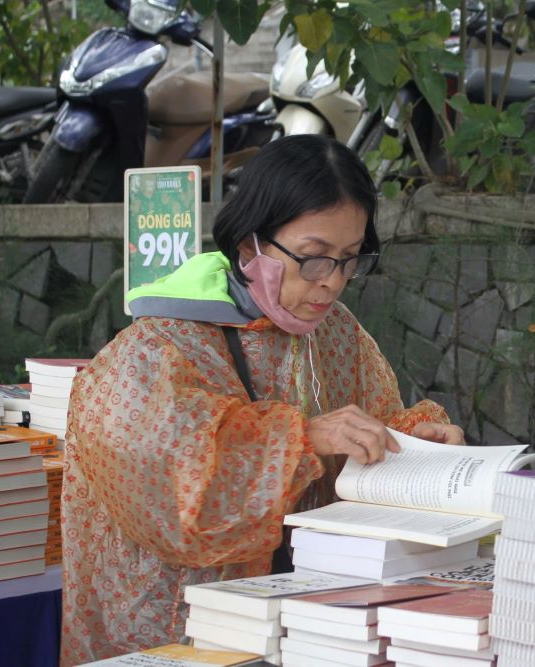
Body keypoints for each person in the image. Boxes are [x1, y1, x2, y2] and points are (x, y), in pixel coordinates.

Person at [60, 135, 464, 665]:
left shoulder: (336, 332)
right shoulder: (154, 349)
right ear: (251, 244)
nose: (332, 283)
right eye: (313, 259)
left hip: (309, 620)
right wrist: (302, 439)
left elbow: (375, 420)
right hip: (178, 624)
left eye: (349, 260)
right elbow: (172, 498)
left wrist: (412, 443)